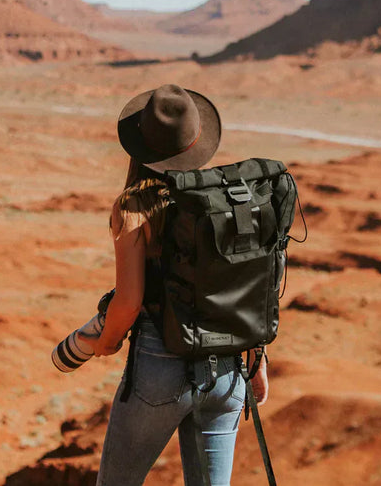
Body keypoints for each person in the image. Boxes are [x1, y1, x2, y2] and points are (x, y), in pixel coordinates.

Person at [84, 84, 269, 486]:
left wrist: (105, 342)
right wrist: (257, 360)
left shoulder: (134, 206)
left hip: (160, 369)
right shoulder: (226, 202)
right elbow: (244, 286)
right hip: (228, 371)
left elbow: (129, 301)